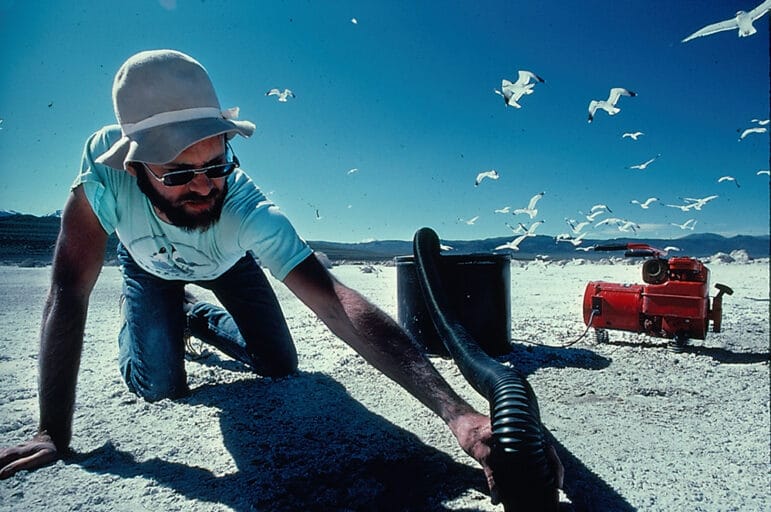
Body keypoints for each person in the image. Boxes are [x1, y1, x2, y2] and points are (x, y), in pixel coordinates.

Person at [0, 49, 561, 501]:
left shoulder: (247, 211)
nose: (202, 186)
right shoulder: (102, 172)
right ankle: (155, 317)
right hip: (149, 269)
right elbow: (68, 287)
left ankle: (193, 315)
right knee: (162, 387)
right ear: (134, 163)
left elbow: (336, 301)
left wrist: (459, 415)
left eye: (214, 165)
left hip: (228, 264)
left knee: (281, 364)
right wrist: (53, 430)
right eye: (177, 173)